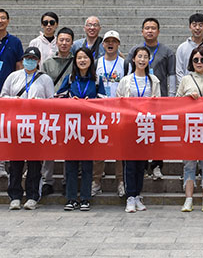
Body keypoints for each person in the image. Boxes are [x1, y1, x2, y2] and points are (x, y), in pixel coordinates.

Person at [0, 48, 55, 210]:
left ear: (38, 61)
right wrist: (13, 100)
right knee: (15, 163)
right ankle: (15, 195)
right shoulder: (13, 76)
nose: (30, 60)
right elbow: (2, 98)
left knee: (34, 163)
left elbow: (51, 102)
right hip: (16, 125)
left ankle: (32, 196)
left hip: (36, 126)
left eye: (33, 58)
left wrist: (40, 102)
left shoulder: (44, 79)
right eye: (27, 58)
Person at [117, 45, 160, 213]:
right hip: (128, 126)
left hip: (145, 126)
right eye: (139, 56)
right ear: (133, 59)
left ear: (149, 60)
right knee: (129, 163)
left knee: (142, 163)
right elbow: (118, 100)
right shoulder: (125, 80)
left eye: (145, 56)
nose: (142, 59)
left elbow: (159, 103)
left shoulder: (153, 80)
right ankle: (130, 196)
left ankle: (137, 195)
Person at [57, 47, 101, 210]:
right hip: (71, 126)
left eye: (85, 57)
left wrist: (93, 101)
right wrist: (70, 99)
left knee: (87, 164)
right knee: (71, 164)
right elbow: (58, 98)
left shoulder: (96, 80)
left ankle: (84, 198)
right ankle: (70, 198)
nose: (82, 60)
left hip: (89, 127)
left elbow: (104, 99)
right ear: (75, 61)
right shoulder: (70, 79)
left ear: (91, 60)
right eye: (79, 58)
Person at [177, 45, 203, 212]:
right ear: (191, 62)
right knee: (189, 164)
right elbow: (176, 102)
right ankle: (188, 199)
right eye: (196, 59)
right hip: (190, 127)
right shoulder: (186, 79)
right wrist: (187, 98)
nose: (199, 62)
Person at [39, 27, 75, 197]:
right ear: (56, 42)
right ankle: (47, 180)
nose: (64, 43)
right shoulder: (47, 63)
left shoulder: (77, 61)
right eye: (61, 40)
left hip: (70, 109)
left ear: (72, 43)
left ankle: (68, 180)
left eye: (67, 40)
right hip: (51, 109)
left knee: (69, 144)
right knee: (49, 144)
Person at [139, 17, 176, 180]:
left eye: (153, 28)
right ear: (142, 31)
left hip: (159, 99)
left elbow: (172, 75)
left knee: (157, 134)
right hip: (139, 101)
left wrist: (171, 97)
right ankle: (142, 166)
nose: (150, 31)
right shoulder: (136, 51)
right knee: (141, 133)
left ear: (158, 31)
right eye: (147, 28)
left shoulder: (167, 51)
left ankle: (156, 166)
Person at [94, 30, 127, 197]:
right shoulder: (96, 63)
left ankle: (121, 181)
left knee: (119, 148)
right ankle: (96, 181)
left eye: (114, 41)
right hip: (100, 110)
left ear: (118, 44)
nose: (110, 44)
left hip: (119, 110)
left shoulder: (124, 63)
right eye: (108, 41)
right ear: (103, 44)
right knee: (99, 146)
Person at [174, 13, 203, 91]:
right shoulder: (182, 48)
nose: (197, 28)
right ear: (190, 27)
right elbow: (179, 71)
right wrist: (186, 88)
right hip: (188, 92)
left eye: (201, 25)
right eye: (194, 25)